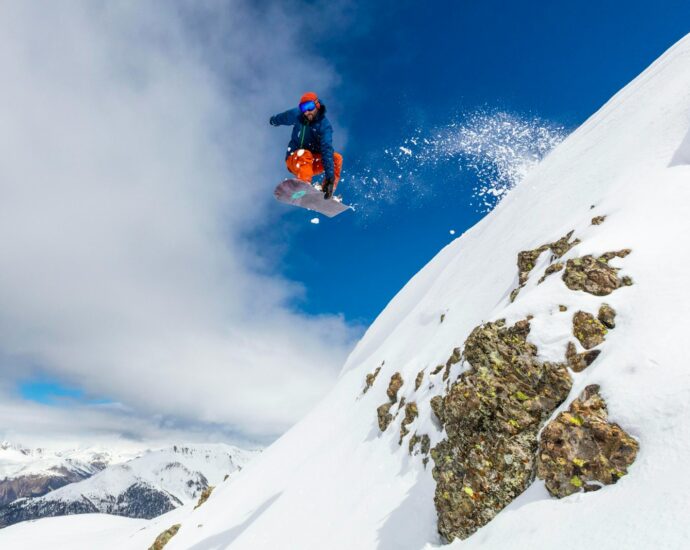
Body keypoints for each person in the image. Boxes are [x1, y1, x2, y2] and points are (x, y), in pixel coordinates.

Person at [270, 92, 343, 199]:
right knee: (304, 153)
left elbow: (326, 149)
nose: (307, 111)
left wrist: (329, 178)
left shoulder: (324, 126)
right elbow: (284, 117)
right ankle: (303, 186)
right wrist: (273, 121)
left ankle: (326, 190)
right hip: (295, 159)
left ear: (317, 105)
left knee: (336, 158)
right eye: (304, 108)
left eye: (310, 107)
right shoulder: (297, 115)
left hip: (311, 163)